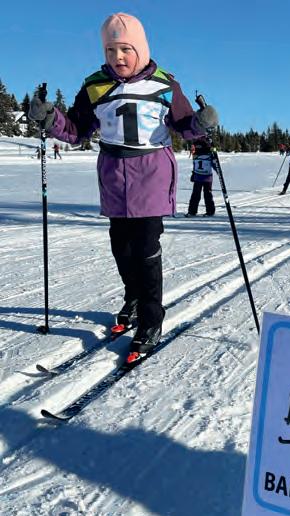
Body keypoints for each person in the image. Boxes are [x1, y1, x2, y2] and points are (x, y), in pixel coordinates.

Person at [28, 12, 218, 365]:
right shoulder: (95, 85)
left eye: (125, 49)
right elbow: (77, 130)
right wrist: (50, 118)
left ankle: (150, 318)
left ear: (140, 49)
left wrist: (201, 124)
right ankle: (133, 297)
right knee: (121, 246)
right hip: (114, 174)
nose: (117, 57)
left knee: (145, 247)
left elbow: (184, 125)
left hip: (152, 172)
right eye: (110, 50)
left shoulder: (165, 84)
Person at [185, 138, 216, 217]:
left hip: (204, 177)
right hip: (202, 176)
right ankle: (194, 211)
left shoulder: (201, 155)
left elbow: (214, 164)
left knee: (202, 194)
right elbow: (214, 164)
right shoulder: (206, 155)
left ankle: (205, 211)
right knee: (201, 194)